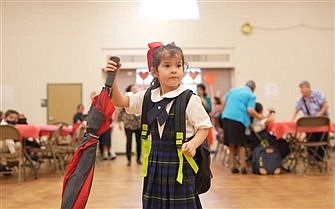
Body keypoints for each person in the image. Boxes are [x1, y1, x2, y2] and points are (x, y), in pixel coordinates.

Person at [104, 43, 211, 209]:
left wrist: (193, 144)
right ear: (154, 71)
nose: (174, 70)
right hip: (155, 164)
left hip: (180, 166)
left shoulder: (189, 99)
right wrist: (114, 77)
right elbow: (120, 101)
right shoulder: (148, 97)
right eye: (167, 66)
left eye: (178, 65)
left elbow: (204, 127)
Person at [221, 80, 263, 174]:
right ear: (254, 89)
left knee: (231, 143)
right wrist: (260, 116)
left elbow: (223, 101)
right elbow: (250, 110)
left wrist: (223, 112)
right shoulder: (251, 95)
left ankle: (233, 165)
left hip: (226, 117)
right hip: (239, 119)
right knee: (241, 143)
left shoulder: (233, 90)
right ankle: (243, 166)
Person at [292, 80, 329, 161]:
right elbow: (296, 110)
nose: (301, 90)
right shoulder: (301, 100)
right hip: (310, 126)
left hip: (321, 124)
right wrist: (292, 120)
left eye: (303, 88)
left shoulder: (318, 94)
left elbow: (326, 106)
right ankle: (312, 159)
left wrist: (318, 116)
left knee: (321, 142)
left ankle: (320, 159)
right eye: (300, 88)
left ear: (309, 87)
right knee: (311, 142)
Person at [117, 84, 142, 166]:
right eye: (133, 89)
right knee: (129, 141)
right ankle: (129, 159)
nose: (135, 90)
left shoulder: (139, 98)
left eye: (136, 89)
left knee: (139, 142)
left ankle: (138, 159)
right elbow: (120, 111)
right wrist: (119, 123)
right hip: (128, 124)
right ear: (130, 90)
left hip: (138, 124)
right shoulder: (126, 98)